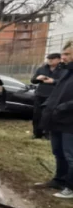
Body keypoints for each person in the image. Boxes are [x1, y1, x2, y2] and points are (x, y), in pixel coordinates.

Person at [37, 43, 73, 197]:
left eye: (66, 54)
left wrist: (64, 107)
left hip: (70, 122)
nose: (62, 57)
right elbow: (60, 89)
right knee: (58, 151)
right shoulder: (67, 72)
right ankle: (59, 180)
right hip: (57, 119)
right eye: (63, 54)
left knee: (70, 154)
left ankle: (70, 187)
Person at [31, 53, 64, 139]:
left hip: (54, 96)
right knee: (37, 115)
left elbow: (65, 82)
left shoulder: (63, 70)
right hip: (40, 95)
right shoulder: (42, 69)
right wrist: (37, 78)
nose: (50, 60)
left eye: (52, 58)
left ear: (59, 60)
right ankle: (37, 134)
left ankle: (48, 134)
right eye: (49, 58)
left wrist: (53, 81)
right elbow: (33, 80)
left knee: (49, 116)